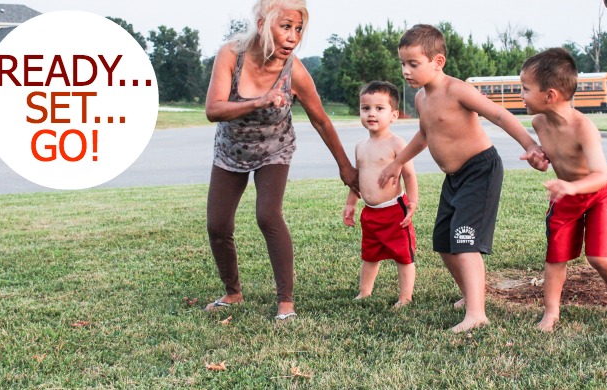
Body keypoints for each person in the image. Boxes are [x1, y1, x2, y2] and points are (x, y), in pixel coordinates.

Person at [378, 24, 548, 333]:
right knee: (444, 241)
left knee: (465, 240)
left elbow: (499, 115)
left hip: (479, 170)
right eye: (402, 63)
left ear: (437, 61)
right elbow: (425, 134)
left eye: (413, 63)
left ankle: (476, 313)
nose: (406, 70)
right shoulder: (420, 98)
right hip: (454, 178)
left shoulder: (457, 90)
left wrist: (531, 145)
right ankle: (470, 294)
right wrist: (397, 162)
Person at [203, 0, 358, 320]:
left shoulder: (295, 72)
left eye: (298, 29)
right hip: (231, 150)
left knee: (268, 215)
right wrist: (259, 101)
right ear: (262, 25)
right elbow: (213, 109)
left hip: (275, 149)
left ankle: (285, 303)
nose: (293, 36)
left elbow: (321, 120)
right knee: (217, 225)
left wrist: (345, 167)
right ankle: (233, 293)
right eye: (285, 27)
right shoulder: (231, 54)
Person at [518, 48, 607, 332]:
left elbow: (602, 176)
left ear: (550, 95)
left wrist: (571, 186)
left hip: (596, 195)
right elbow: (549, 163)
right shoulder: (539, 123)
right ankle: (551, 312)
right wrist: (538, 161)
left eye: (525, 88)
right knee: (555, 256)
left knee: (599, 256)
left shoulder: (584, 128)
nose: (521, 94)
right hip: (565, 197)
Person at [343, 81, 418, 309]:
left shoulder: (397, 143)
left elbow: (409, 175)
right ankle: (364, 292)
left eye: (379, 108)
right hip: (371, 213)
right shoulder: (360, 146)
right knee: (370, 254)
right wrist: (351, 204)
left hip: (394, 211)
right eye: (366, 108)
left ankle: (405, 297)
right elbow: (357, 180)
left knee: (403, 255)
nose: (371, 114)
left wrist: (412, 201)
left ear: (394, 115)